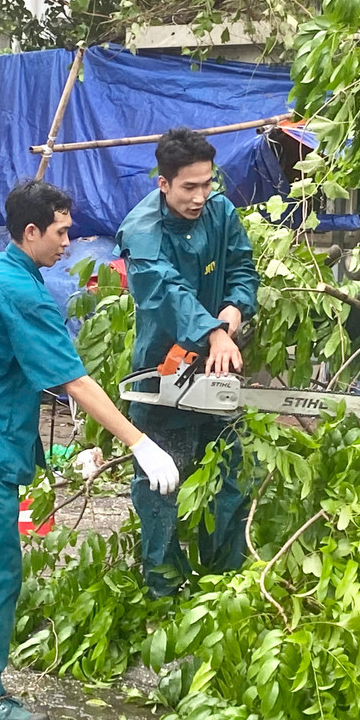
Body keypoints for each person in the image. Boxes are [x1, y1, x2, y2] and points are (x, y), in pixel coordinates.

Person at [0, 180, 180, 720]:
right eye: (60, 232)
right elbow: (73, 382)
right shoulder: (21, 293)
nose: (69, 241)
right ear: (31, 232)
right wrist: (139, 441)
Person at [115, 127, 259, 598]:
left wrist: (236, 307)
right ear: (164, 184)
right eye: (189, 187)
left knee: (229, 477)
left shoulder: (220, 211)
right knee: (163, 485)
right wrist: (212, 332)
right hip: (165, 371)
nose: (201, 196)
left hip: (218, 367)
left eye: (208, 183)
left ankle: (223, 585)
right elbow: (165, 292)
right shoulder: (143, 230)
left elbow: (241, 266)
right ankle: (164, 588)